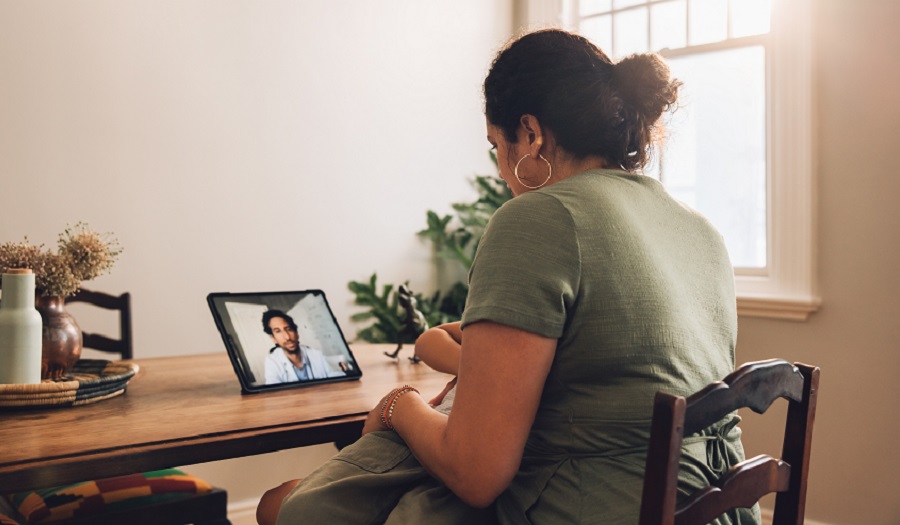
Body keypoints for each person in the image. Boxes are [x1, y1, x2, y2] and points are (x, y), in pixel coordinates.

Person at [264, 28, 757, 524]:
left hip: (597, 507)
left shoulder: (539, 218)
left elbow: (476, 472)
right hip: (718, 508)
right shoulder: (700, 231)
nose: (501, 168)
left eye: (496, 145)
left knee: (296, 507)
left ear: (530, 134)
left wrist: (399, 404)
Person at [262, 310, 344, 384]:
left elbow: (334, 375)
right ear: (273, 338)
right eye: (278, 331)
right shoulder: (272, 361)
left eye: (289, 329)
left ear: (297, 333)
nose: (287, 337)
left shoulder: (315, 354)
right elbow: (273, 388)